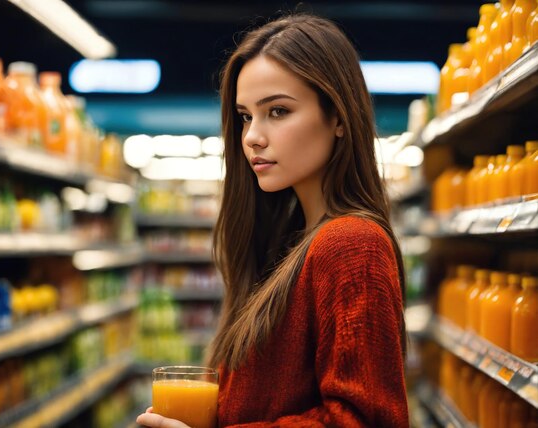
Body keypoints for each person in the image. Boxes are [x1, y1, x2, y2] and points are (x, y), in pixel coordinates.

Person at [138, 13, 409, 427]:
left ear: (338, 117)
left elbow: (364, 420)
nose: (252, 136)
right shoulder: (289, 243)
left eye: (278, 111)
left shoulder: (352, 244)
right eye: (246, 116)